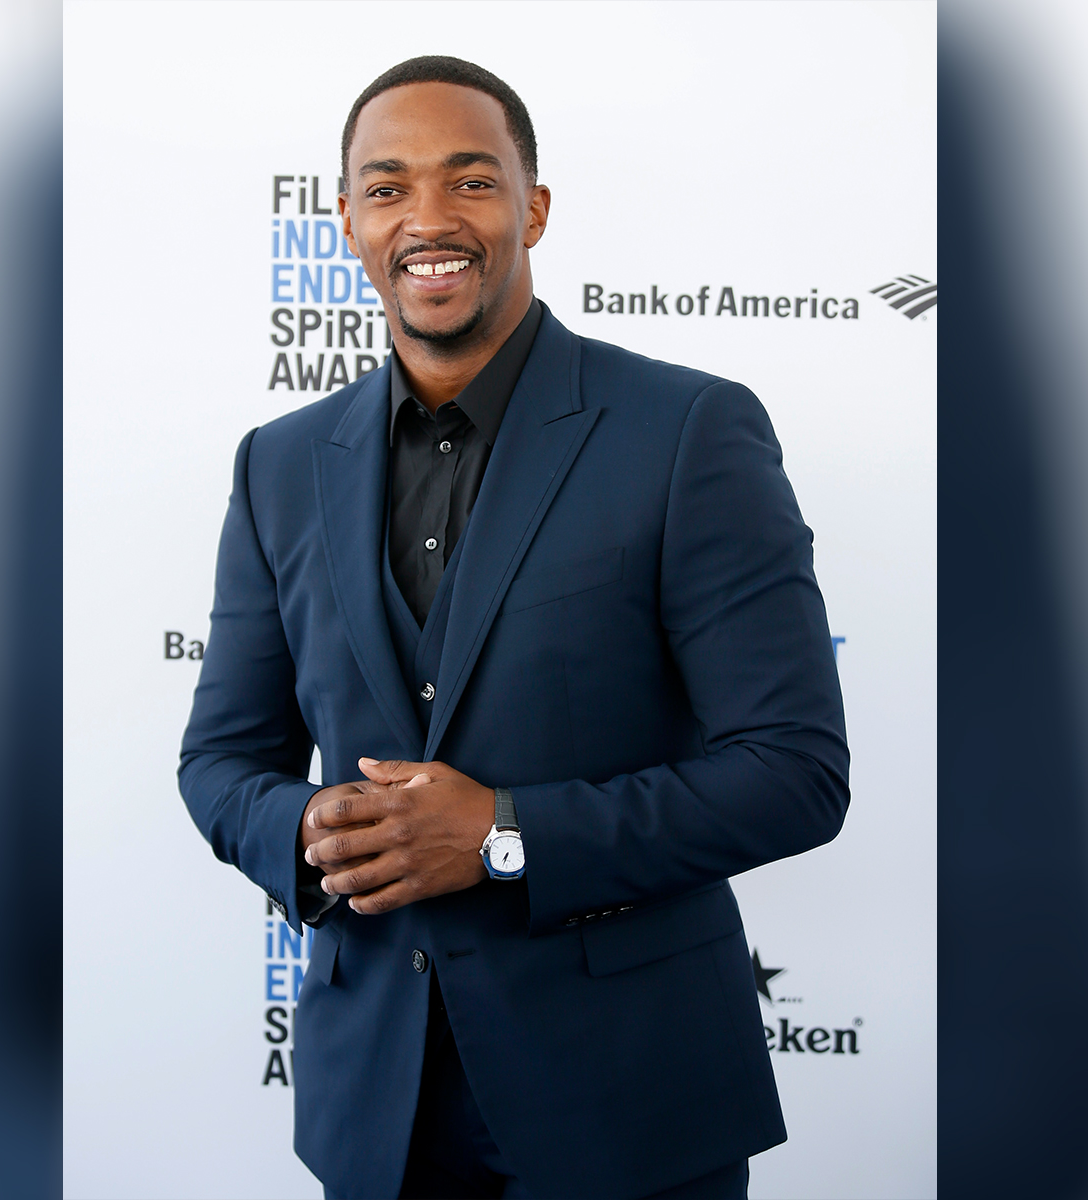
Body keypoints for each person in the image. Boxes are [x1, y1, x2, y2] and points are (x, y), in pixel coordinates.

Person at [179, 55, 849, 1200]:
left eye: (471, 180)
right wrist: (309, 829)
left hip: (630, 1105)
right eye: (386, 187)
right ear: (346, 222)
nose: (427, 219)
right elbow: (221, 761)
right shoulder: (279, 464)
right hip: (376, 1114)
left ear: (532, 208)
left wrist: (503, 835)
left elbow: (794, 774)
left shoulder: (686, 430)